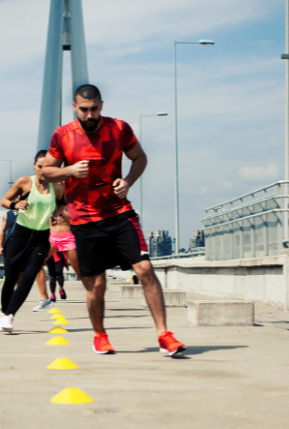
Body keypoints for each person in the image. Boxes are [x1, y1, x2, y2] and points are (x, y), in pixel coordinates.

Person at [41, 83, 185, 357]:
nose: (89, 115)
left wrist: (128, 181)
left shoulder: (118, 128)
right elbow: (46, 172)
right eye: (84, 109)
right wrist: (69, 170)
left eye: (94, 109)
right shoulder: (63, 135)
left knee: (145, 269)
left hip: (119, 213)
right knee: (97, 284)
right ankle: (100, 335)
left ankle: (164, 335)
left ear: (102, 106)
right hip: (84, 220)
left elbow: (139, 157)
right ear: (74, 107)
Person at [0, 150, 64, 333]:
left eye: (47, 167)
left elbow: (62, 203)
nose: (43, 170)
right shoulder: (25, 182)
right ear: (34, 165)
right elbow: (4, 201)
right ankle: (3, 312)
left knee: (31, 273)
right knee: (10, 278)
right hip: (20, 236)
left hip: (41, 238)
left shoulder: (56, 188)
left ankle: (9, 315)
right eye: (40, 166)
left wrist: (56, 215)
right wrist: (15, 205)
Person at [45, 205, 81, 302]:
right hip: (51, 243)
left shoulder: (66, 210)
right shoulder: (48, 211)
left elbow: (73, 220)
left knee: (58, 271)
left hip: (63, 244)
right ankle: (52, 295)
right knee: (52, 274)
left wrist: (62, 212)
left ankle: (61, 288)